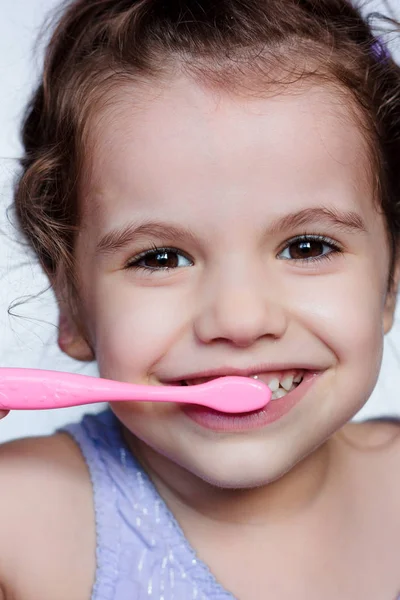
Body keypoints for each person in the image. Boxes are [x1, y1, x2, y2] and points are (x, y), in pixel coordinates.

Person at [1, 0, 400, 598]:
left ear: (390, 280)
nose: (239, 320)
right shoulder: (24, 522)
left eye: (307, 246)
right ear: (72, 302)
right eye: (160, 258)